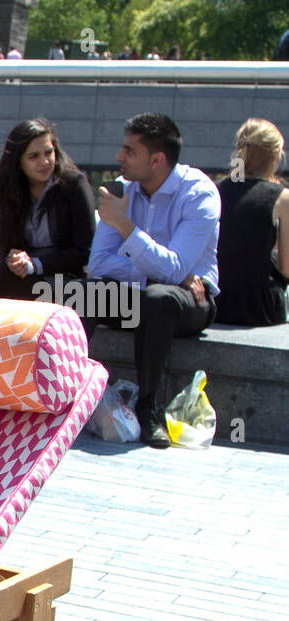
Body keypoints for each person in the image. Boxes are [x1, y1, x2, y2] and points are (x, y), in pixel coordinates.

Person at [80, 113, 220, 447]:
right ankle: (68, 398)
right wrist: (157, 269)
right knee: (81, 291)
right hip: (143, 293)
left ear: (157, 159)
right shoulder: (123, 191)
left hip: (191, 302)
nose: (119, 157)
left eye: (129, 151)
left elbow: (173, 271)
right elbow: (98, 263)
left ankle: (148, 406)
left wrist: (125, 227)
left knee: (159, 298)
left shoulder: (199, 194)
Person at [0, 118, 95, 301]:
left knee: (65, 292)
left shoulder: (74, 184)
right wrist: (13, 259)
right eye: (34, 156)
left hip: (63, 278)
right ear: (18, 161)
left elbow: (84, 251)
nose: (45, 162)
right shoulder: (9, 190)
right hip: (24, 275)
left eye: (49, 153)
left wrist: (37, 264)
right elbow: (6, 245)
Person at [215, 118, 287, 326]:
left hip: (215, 298)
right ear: (275, 157)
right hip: (259, 305)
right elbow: (286, 267)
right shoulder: (282, 198)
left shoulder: (214, 189)